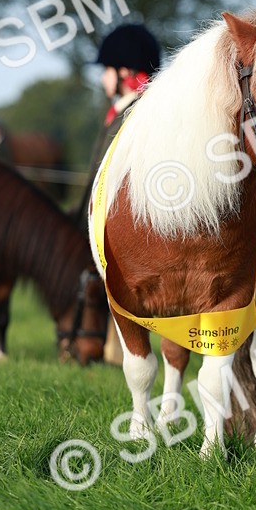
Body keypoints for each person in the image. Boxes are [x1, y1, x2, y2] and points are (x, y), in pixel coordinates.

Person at [84, 22, 162, 364]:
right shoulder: (123, 110)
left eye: (107, 70)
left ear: (125, 72)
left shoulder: (136, 114)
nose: (103, 78)